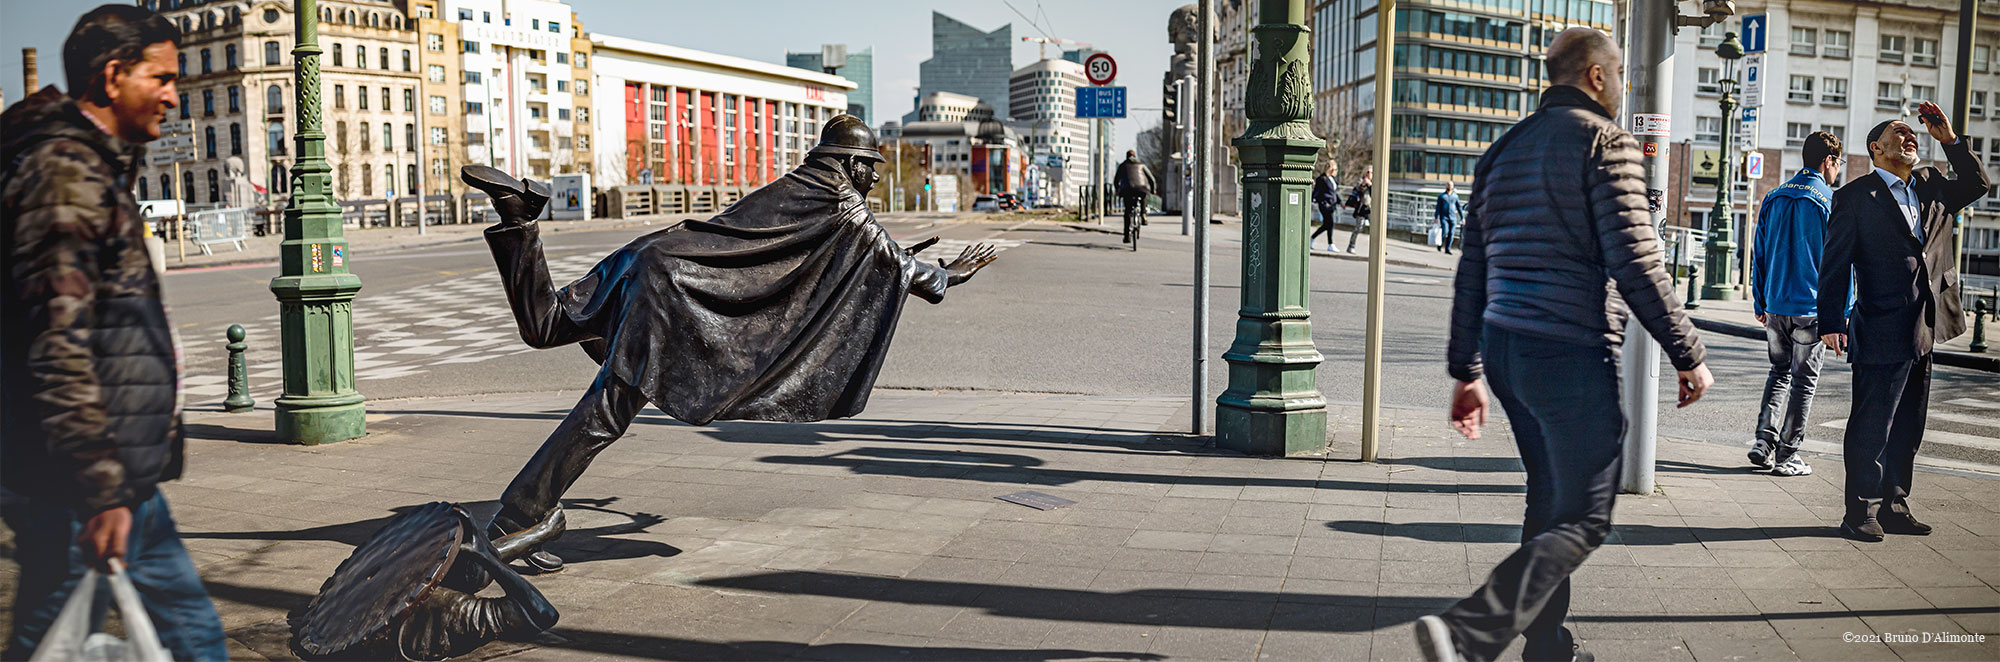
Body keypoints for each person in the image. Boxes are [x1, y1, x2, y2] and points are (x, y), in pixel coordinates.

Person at [467, 115, 1000, 571]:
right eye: (870, 167)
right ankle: (517, 518)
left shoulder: (806, 182)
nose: (872, 178)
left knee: (547, 324)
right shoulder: (843, 201)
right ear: (851, 162)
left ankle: (518, 217)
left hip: (653, 255)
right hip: (672, 292)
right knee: (604, 415)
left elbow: (823, 254)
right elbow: (887, 258)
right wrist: (946, 274)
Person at [1427, 28, 1713, 662]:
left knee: (1549, 495)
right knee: (1586, 514)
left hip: (1506, 349)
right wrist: (1687, 352)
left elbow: (1473, 268)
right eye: (1619, 76)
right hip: (1568, 346)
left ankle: (1548, 646)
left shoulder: (1503, 150)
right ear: (1595, 77)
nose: (1623, 87)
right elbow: (1637, 261)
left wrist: (1467, 369)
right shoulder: (1606, 143)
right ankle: (1475, 626)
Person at [0, 6, 228, 660]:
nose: (172, 96)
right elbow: (57, 339)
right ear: (111, 76)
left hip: (118, 479)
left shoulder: (94, 163)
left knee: (195, 638)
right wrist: (98, 489)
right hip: (73, 483)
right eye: (160, 79)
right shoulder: (64, 173)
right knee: (51, 639)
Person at [1818, 106, 1988, 543]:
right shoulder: (1854, 197)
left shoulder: (1932, 183)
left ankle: (1894, 504)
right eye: (1899, 133)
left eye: (1914, 134)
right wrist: (1831, 322)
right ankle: (1861, 511)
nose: (1910, 137)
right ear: (1876, 148)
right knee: (1872, 424)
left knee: (1910, 423)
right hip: (1879, 322)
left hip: (1928, 323)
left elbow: (1978, 184)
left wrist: (1949, 139)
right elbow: (1834, 265)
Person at [1747, 132, 1843, 478]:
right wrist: (1841, 316)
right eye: (1838, 164)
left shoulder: (1773, 197)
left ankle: (1763, 441)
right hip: (1810, 308)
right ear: (1828, 161)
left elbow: (1758, 254)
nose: (1837, 171)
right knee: (1804, 381)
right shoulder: (1828, 201)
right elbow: (1839, 264)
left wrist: (1760, 299)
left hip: (1775, 304)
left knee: (1778, 373)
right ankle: (1788, 454)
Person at [1113, 150, 1156, 235]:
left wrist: (1117, 189)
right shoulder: (1142, 165)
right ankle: (1143, 214)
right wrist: (1153, 189)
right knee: (1143, 197)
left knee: (1128, 211)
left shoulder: (1122, 166)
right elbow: (1152, 179)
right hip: (1141, 188)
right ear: (1135, 157)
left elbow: (1116, 180)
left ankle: (1126, 235)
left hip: (1127, 190)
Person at [1344, 165, 1374, 253]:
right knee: (1358, 228)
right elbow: (1358, 189)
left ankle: (1378, 248)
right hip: (1362, 208)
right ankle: (1351, 246)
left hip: (1371, 208)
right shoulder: (1361, 181)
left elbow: (1374, 193)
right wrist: (1364, 184)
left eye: (1371, 172)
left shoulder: (1374, 182)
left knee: (1375, 228)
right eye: (1368, 172)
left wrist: (1370, 184)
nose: (1369, 174)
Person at [1310, 161, 1340, 250]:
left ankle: (1312, 238)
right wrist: (1313, 202)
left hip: (1332, 205)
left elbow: (1334, 192)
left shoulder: (1333, 179)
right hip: (1324, 204)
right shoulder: (1322, 179)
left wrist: (1340, 202)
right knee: (1330, 223)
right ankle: (1330, 244)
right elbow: (1316, 191)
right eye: (1333, 169)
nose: (1334, 171)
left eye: (1335, 169)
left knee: (1326, 225)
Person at [1435, 182, 1463, 254]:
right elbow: (1438, 207)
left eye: (1451, 185)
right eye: (1448, 185)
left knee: (1451, 233)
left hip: (1453, 217)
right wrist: (1436, 217)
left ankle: (1448, 249)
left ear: (1453, 187)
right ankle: (1440, 243)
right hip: (1444, 217)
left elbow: (1459, 207)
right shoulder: (1442, 196)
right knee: (1445, 231)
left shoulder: (1455, 196)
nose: (1449, 187)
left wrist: (1462, 217)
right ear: (1446, 186)